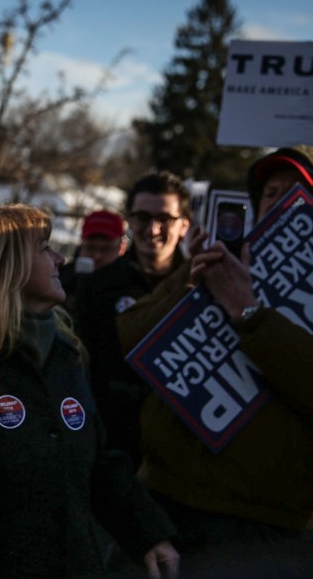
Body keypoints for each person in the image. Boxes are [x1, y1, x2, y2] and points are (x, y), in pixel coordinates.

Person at [116, 145, 313, 578]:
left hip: (262, 530)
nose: (278, 203)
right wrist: (185, 282)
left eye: (295, 193)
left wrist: (248, 311)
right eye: (270, 192)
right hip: (165, 499)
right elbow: (128, 337)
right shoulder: (221, 262)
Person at [0, 204, 179, 579]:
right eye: (45, 248)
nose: (61, 258)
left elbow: (98, 463)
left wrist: (148, 535)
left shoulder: (66, 354)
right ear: (6, 264)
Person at [76, 172, 191, 464]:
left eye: (164, 218)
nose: (153, 230)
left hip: (180, 448)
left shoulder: (201, 287)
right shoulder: (97, 287)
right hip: (114, 442)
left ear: (184, 226)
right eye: (142, 217)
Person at [59, 209, 127, 316]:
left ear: (121, 247)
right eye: (91, 248)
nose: (97, 256)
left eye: (106, 249)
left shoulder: (130, 284)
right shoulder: (60, 280)